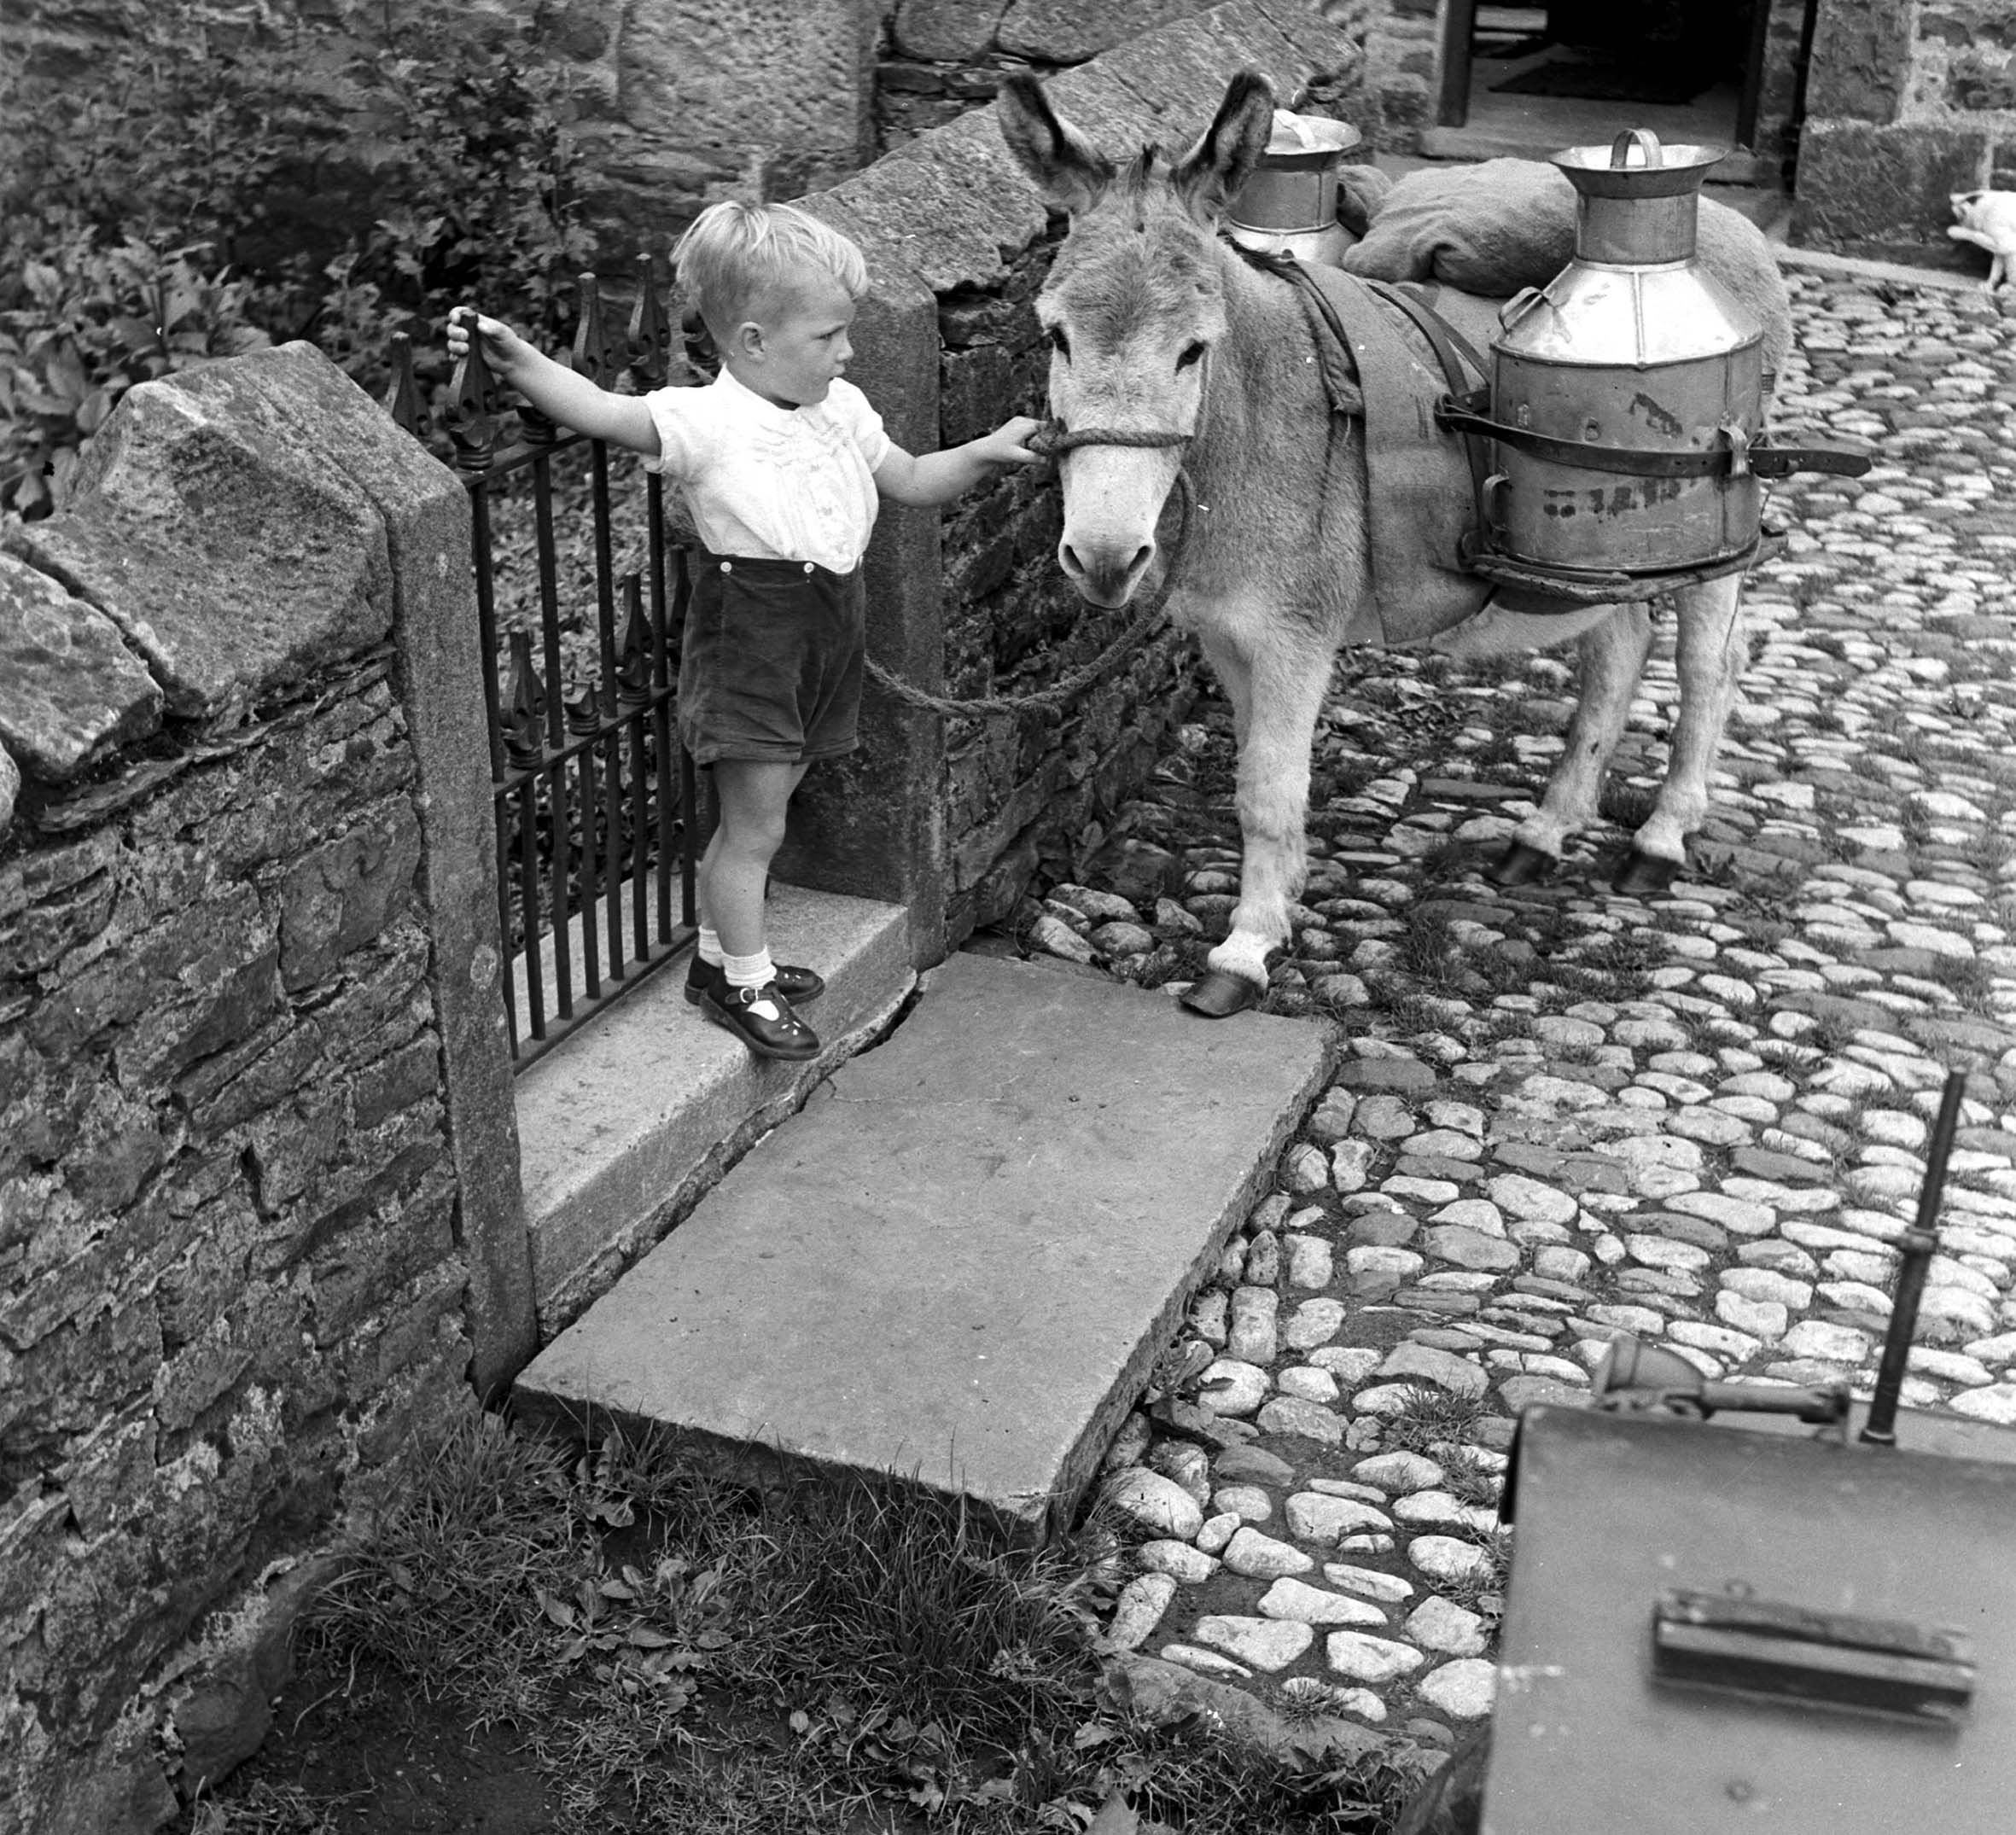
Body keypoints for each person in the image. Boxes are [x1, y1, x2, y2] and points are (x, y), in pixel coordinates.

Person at [448, 202, 1040, 1062]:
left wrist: (985, 449)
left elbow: (911, 478)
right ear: (756, 341)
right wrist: (523, 359)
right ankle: (742, 983)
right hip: (753, 644)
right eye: (829, 336)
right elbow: (599, 409)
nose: (848, 353)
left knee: (766, 811)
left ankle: (719, 958)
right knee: (755, 828)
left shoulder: (840, 408)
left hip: (827, 635)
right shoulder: (706, 423)